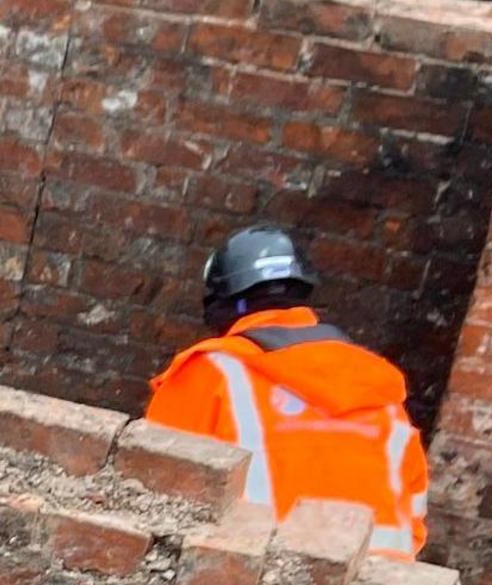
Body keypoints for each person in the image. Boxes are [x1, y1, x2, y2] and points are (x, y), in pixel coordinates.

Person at [143, 226, 429, 558]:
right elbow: (414, 520)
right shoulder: (378, 388)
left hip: (255, 569)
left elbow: (153, 475)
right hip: (378, 583)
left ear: (220, 302)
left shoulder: (213, 370)